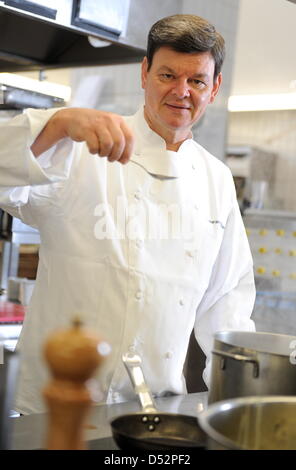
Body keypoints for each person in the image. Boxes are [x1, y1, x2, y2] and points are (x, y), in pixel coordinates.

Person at [0, 14, 255, 415]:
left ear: (215, 87)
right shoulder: (83, 147)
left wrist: (236, 405)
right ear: (144, 72)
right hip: (53, 406)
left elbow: (226, 303)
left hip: (154, 411)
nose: (181, 91)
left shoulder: (216, 180)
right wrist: (58, 122)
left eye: (197, 81)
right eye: (167, 75)